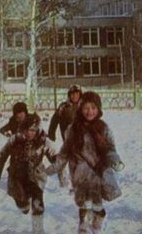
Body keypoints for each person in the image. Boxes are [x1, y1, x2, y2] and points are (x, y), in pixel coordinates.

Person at [46, 91, 124, 234]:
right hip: (80, 173)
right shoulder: (73, 129)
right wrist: (54, 167)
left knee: (96, 204)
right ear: (81, 109)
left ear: (98, 110)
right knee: (83, 203)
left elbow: (110, 149)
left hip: (98, 172)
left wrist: (115, 160)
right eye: (86, 108)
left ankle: (99, 218)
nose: (89, 112)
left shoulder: (103, 128)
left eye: (93, 108)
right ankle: (83, 227)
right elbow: (64, 152)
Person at [0, 113, 56, 234]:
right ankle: (23, 205)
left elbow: (55, 157)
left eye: (34, 130)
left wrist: (57, 167)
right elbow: (2, 156)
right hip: (18, 177)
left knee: (38, 202)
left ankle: (38, 230)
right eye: (28, 130)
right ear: (24, 129)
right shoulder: (15, 140)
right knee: (23, 204)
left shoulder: (42, 141)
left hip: (35, 176)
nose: (31, 133)